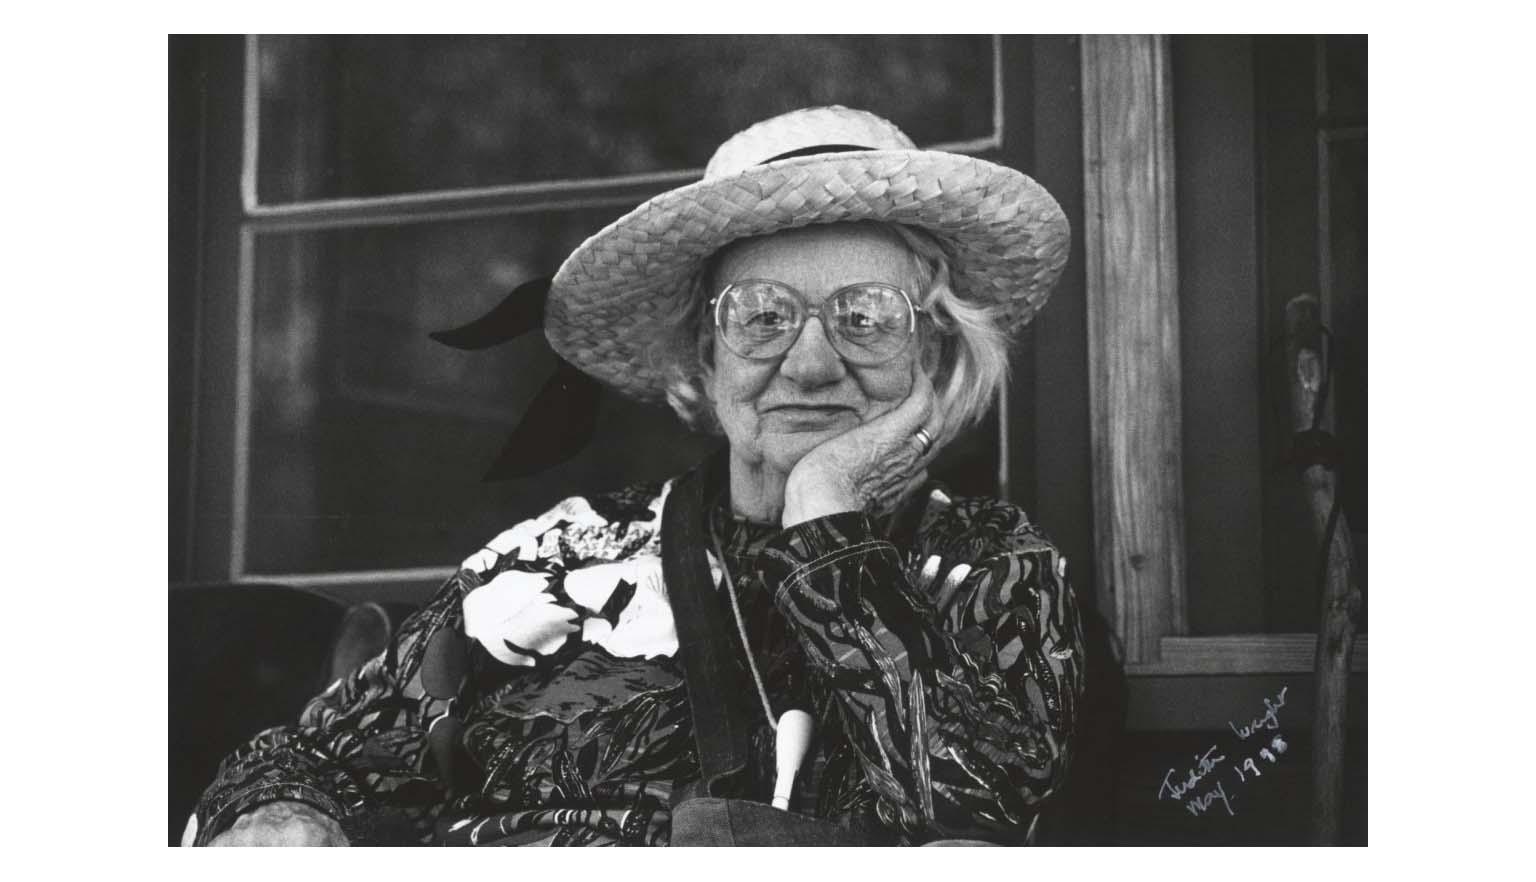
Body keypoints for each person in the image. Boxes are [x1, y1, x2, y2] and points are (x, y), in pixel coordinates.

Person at [186, 105, 1084, 847]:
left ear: (932, 349)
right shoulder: (557, 555)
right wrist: (281, 819)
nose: (810, 364)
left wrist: (823, 517)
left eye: (865, 316)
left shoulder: (989, 573)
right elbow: (302, 758)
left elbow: (973, 817)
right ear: (707, 352)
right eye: (763, 317)